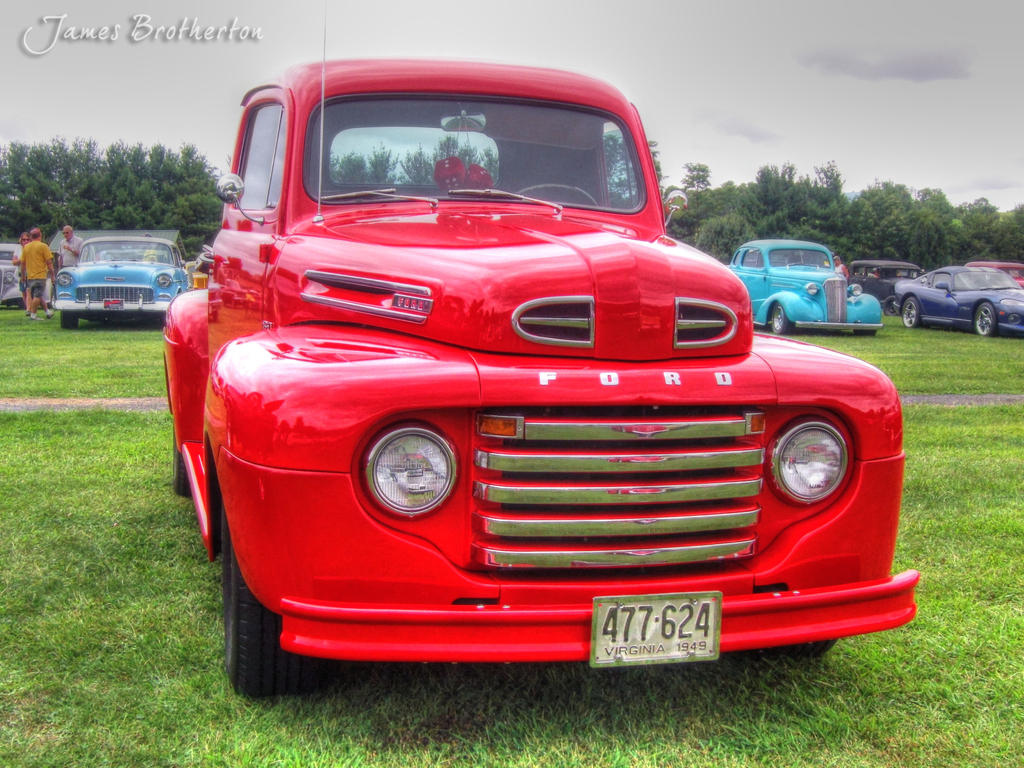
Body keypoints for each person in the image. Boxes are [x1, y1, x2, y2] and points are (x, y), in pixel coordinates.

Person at [20, 228, 55, 320]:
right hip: (40, 276)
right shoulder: (44, 246)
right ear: (40, 235)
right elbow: (49, 262)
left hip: (30, 276)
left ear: (31, 237)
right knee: (38, 296)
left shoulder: (26, 247)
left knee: (37, 296)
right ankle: (33, 314)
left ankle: (47, 312)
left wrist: (23, 276)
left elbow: (22, 263)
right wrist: (52, 275)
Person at [13, 232, 30, 314]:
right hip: (20, 272)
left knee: (28, 291)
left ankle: (28, 309)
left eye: (27, 239)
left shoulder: (31, 248)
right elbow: (14, 261)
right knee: (23, 292)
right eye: (23, 240)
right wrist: (21, 260)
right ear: (21, 240)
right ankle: (27, 307)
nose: (25, 241)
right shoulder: (18, 249)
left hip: (30, 273)